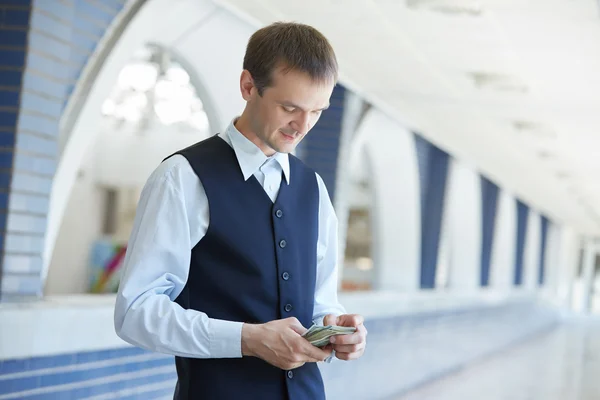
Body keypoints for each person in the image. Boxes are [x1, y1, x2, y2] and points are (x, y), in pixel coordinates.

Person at [114, 21, 367, 400]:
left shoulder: (313, 189)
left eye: (317, 111)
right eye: (289, 108)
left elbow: (319, 302)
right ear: (248, 86)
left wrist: (336, 327)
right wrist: (248, 339)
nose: (302, 126)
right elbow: (136, 312)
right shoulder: (182, 178)